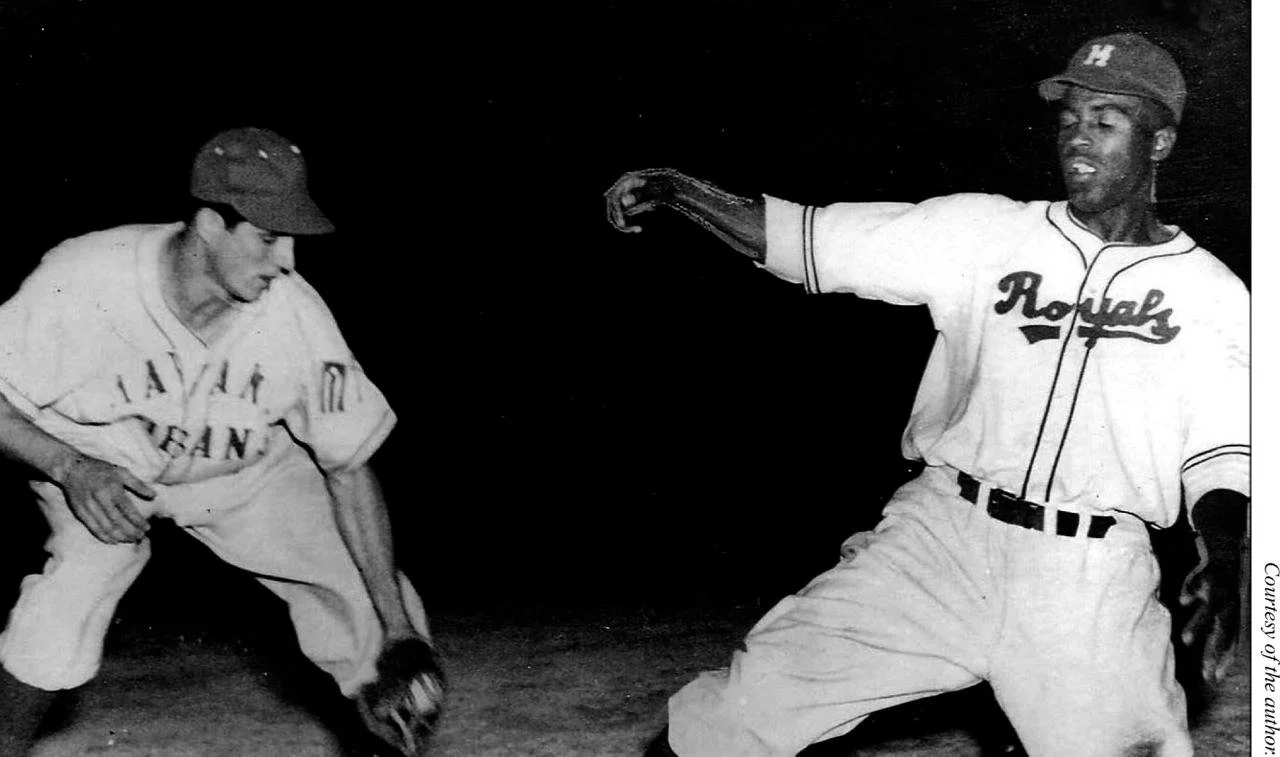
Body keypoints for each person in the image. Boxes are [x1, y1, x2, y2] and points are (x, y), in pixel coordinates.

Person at [604, 33, 1248, 757]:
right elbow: (807, 238)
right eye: (1069, 116)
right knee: (728, 718)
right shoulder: (984, 232)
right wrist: (680, 189)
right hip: (942, 539)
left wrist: (1223, 554)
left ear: (1159, 141)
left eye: (1107, 119)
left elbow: (1223, 452)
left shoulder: (1211, 294)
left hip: (1089, 583)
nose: (1078, 135)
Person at [0, 127, 436, 754]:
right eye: (268, 237)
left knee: (377, 619)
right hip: (106, 458)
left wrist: (397, 630)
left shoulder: (294, 314)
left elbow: (348, 466)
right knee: (69, 597)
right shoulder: (86, 278)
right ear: (209, 224)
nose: (286, 260)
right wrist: (68, 465)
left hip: (241, 471)